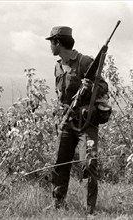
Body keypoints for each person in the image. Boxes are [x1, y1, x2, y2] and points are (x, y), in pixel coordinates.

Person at [45, 26, 109, 215]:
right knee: (60, 162)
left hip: (85, 123)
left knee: (88, 163)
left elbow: (104, 86)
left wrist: (91, 87)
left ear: (58, 42)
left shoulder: (84, 61)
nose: (50, 46)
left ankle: (90, 210)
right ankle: (58, 202)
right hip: (66, 121)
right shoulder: (57, 66)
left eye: (51, 42)